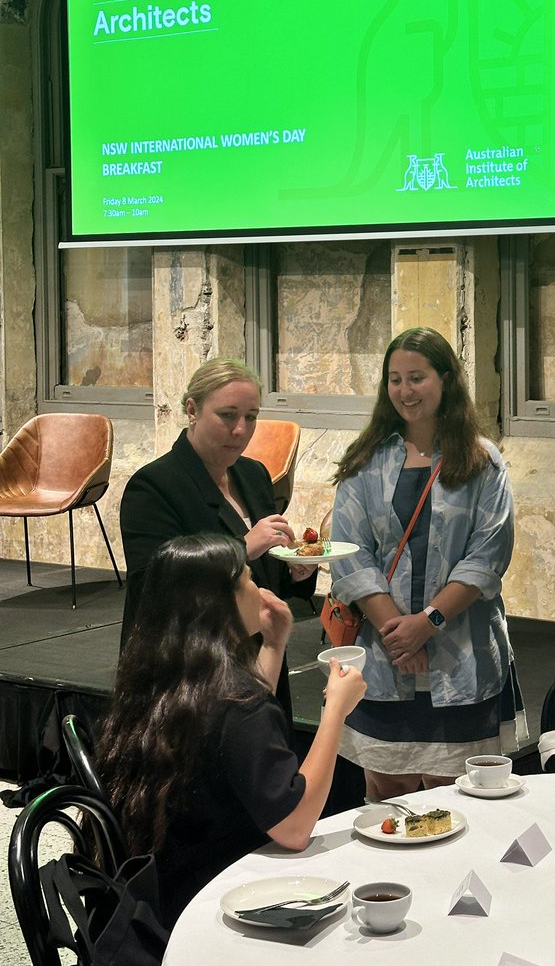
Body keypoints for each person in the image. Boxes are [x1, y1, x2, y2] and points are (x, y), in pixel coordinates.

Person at [98, 533, 365, 929]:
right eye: (248, 578)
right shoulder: (235, 701)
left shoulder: (162, 678)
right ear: (220, 604)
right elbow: (294, 826)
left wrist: (273, 645)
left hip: (152, 893)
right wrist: (335, 711)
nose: (259, 590)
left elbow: (239, 740)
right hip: (214, 902)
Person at [328, 326, 523, 802]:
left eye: (416, 377)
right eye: (395, 379)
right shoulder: (366, 461)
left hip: (461, 655)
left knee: (455, 796)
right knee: (387, 794)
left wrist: (428, 623)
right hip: (385, 655)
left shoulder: (482, 461)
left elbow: (487, 555)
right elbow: (350, 553)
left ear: (445, 379)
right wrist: (400, 635)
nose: (405, 390)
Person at [119, 358, 317, 718]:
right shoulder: (153, 486)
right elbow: (153, 588)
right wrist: (243, 548)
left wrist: (297, 569)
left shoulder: (254, 475)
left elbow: (264, 582)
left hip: (260, 661)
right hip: (190, 676)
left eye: (251, 417)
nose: (241, 429)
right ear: (192, 410)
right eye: (228, 415)